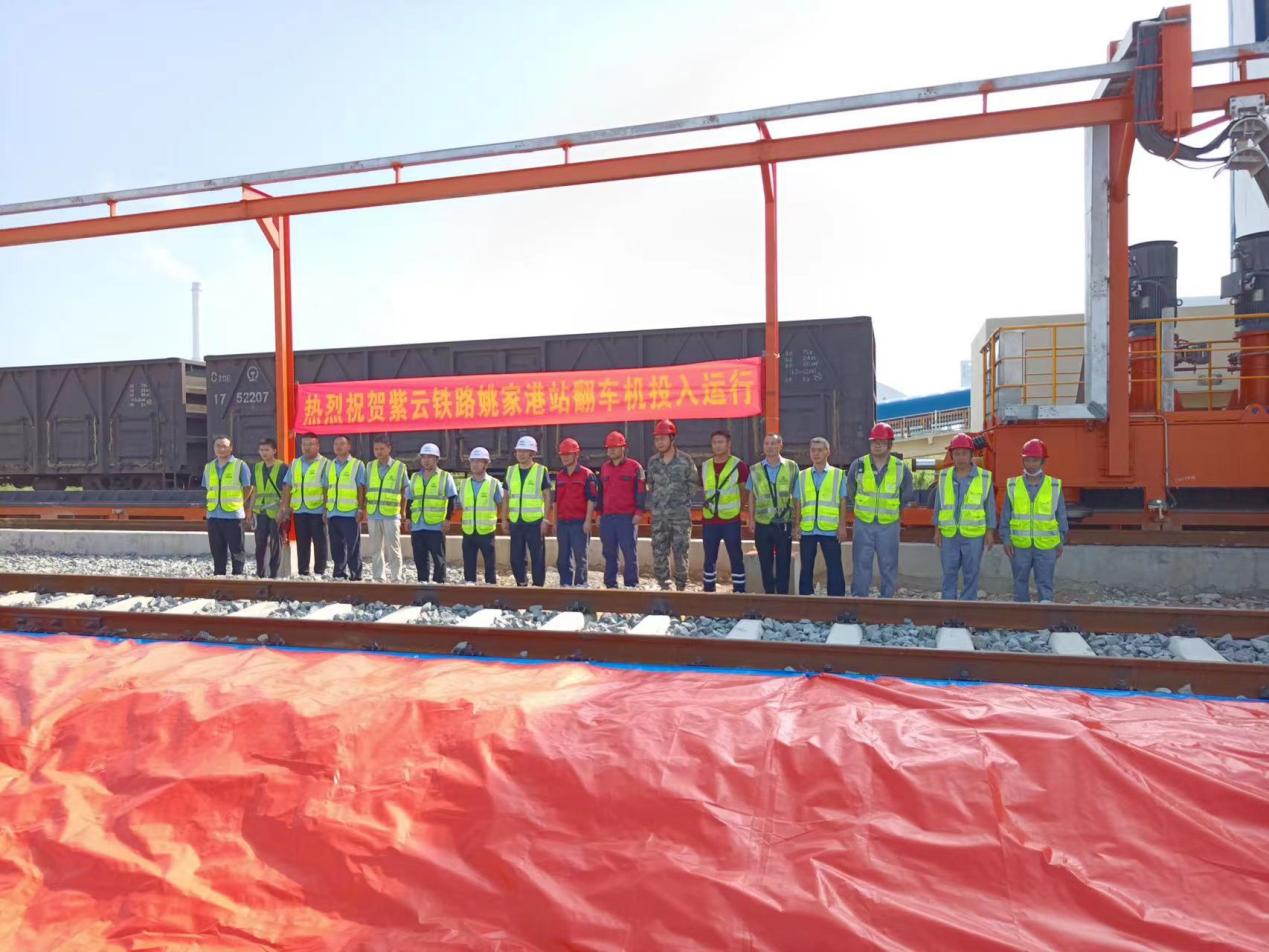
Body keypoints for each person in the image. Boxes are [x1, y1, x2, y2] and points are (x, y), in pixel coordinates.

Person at [847, 422, 914, 598]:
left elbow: (906, 494)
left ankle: (887, 601)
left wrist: (893, 511)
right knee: (861, 564)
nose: (877, 445)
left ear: (889, 445)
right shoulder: (858, 465)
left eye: (881, 442)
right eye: (874, 442)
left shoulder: (900, 468)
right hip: (863, 524)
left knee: (888, 565)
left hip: (889, 525)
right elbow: (851, 490)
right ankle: (859, 600)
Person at [1000, 438, 1068, 603]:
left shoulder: (1054, 486)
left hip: (1046, 546)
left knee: (1045, 583)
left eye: (1035, 460)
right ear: (1023, 461)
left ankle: (1045, 613)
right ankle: (1023, 613)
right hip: (1019, 545)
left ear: (1043, 462)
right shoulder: (1013, 485)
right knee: (1019, 582)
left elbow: (1061, 515)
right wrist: (1006, 539)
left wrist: (1061, 540)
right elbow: (1006, 515)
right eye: (1028, 460)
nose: (1031, 464)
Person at [934, 433, 996, 601]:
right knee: (949, 572)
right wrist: (937, 530)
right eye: (956, 453)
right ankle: (948, 605)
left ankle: (968, 605)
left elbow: (989, 506)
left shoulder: (984, 477)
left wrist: (990, 531)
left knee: (971, 572)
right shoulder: (944, 476)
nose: (960, 457)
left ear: (971, 455)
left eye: (964, 453)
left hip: (973, 535)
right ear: (952, 455)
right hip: (949, 534)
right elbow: (939, 504)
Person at [644, 419, 695, 592]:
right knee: (659, 551)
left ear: (672, 438)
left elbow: (693, 485)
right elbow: (651, 485)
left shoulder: (685, 460)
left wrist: (679, 502)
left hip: (680, 517)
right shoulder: (653, 462)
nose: (659, 443)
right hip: (659, 517)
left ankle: (681, 587)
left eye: (663, 439)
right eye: (657, 439)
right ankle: (664, 586)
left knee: (680, 551)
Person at [792, 437, 847, 596]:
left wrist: (842, 526)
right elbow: (798, 502)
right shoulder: (802, 475)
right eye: (813, 450)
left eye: (820, 450)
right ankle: (806, 598)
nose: (816, 454)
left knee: (834, 567)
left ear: (828, 452)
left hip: (829, 529)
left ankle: (836, 599)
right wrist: (797, 525)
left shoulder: (838, 475)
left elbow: (843, 501)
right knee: (806, 567)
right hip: (808, 529)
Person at [747, 433, 798, 594]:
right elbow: (751, 495)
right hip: (763, 523)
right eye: (767, 444)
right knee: (765, 562)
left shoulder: (791, 466)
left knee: (784, 561)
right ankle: (769, 593)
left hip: (784, 522)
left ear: (780, 445)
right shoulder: (755, 469)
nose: (769, 447)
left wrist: (797, 523)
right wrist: (751, 519)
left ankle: (782, 595)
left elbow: (797, 495)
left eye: (773, 443)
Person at [699, 429, 749, 593]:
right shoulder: (705, 466)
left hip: (730, 519)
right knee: (709, 557)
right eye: (714, 442)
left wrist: (741, 509)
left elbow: (744, 490)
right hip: (710, 519)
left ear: (728, 444)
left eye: (720, 442)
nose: (717, 446)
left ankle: (739, 589)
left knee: (735, 555)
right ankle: (709, 588)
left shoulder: (739, 465)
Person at [597, 430, 645, 589]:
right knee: (609, 552)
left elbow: (640, 491)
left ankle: (631, 583)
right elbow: (600, 492)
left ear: (623, 448)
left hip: (627, 517)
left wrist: (639, 512)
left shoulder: (635, 467)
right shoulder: (604, 468)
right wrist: (599, 513)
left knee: (629, 552)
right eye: (609, 447)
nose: (611, 450)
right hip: (608, 517)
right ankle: (610, 583)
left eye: (614, 447)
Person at [279, 432, 331, 577]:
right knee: (302, 542)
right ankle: (303, 571)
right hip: (299, 509)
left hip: (318, 509)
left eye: (311, 444)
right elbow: (288, 485)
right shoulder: (295, 463)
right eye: (304, 444)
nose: (307, 447)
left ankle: (320, 571)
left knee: (320, 541)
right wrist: (285, 507)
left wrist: (326, 508)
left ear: (318, 446)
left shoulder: (325, 464)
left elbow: (327, 488)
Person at [503, 436, 552, 587]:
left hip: (535, 521)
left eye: (525, 451)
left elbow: (547, 496)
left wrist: (545, 519)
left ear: (532, 453)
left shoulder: (540, 471)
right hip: (516, 521)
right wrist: (504, 519)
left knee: (537, 556)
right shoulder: (510, 471)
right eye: (519, 451)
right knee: (516, 557)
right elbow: (506, 497)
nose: (521, 454)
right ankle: (521, 583)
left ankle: (538, 586)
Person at [202, 435, 253, 576]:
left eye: (224, 446)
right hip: (213, 515)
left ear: (231, 448)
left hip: (233, 515)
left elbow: (248, 487)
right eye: (218, 446)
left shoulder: (240, 465)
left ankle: (238, 575)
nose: (221, 449)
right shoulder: (208, 467)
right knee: (217, 549)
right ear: (214, 448)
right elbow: (208, 488)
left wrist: (240, 502)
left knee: (237, 548)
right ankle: (219, 575)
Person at [406, 442, 457, 583]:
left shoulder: (445, 477)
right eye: (424, 457)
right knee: (420, 557)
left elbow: (452, 499)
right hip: (418, 524)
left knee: (438, 558)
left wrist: (448, 519)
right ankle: (423, 582)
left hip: (436, 525)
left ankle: (439, 583)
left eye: (430, 457)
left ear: (436, 459)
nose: (426, 460)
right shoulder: (415, 477)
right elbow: (410, 499)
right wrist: (408, 518)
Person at [552, 437, 598, 587]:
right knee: (563, 558)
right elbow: (556, 501)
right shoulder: (560, 476)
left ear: (576, 455)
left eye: (568, 454)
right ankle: (565, 584)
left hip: (579, 522)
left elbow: (591, 499)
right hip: (563, 522)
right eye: (562, 455)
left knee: (580, 556)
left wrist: (588, 521)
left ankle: (581, 584)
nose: (564, 458)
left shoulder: (587, 475)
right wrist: (555, 522)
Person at [456, 446, 503, 584]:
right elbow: (461, 505)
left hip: (486, 531)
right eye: (472, 461)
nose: (475, 464)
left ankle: (490, 586)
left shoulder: (494, 483)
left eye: (479, 461)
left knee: (490, 563)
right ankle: (470, 585)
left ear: (486, 464)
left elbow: (501, 505)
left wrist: (492, 519)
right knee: (468, 562)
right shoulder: (464, 484)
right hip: (468, 531)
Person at [364, 435, 408, 583]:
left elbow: (404, 490)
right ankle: (378, 577)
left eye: (382, 449)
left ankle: (396, 577)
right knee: (375, 548)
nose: (379, 452)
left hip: (391, 514)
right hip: (373, 513)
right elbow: (366, 488)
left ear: (389, 449)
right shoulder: (370, 466)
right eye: (376, 449)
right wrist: (364, 509)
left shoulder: (400, 467)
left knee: (394, 547)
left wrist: (403, 511)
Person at [324, 435, 367, 580]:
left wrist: (360, 509)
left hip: (350, 512)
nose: (338, 447)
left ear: (349, 446)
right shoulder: (329, 465)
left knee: (353, 545)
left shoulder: (357, 464)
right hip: (333, 511)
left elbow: (361, 488)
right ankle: (339, 572)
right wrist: (325, 509)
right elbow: (326, 488)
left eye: (342, 444)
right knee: (336, 545)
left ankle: (356, 573)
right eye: (336, 444)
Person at [250, 437, 286, 579]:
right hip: (260, 511)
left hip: (276, 511)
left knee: (276, 544)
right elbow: (255, 490)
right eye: (261, 450)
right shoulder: (258, 467)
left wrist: (283, 510)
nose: (264, 453)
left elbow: (286, 490)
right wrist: (250, 510)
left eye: (267, 450)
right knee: (260, 543)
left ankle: (274, 573)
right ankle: (260, 572)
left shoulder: (282, 467)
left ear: (274, 451)